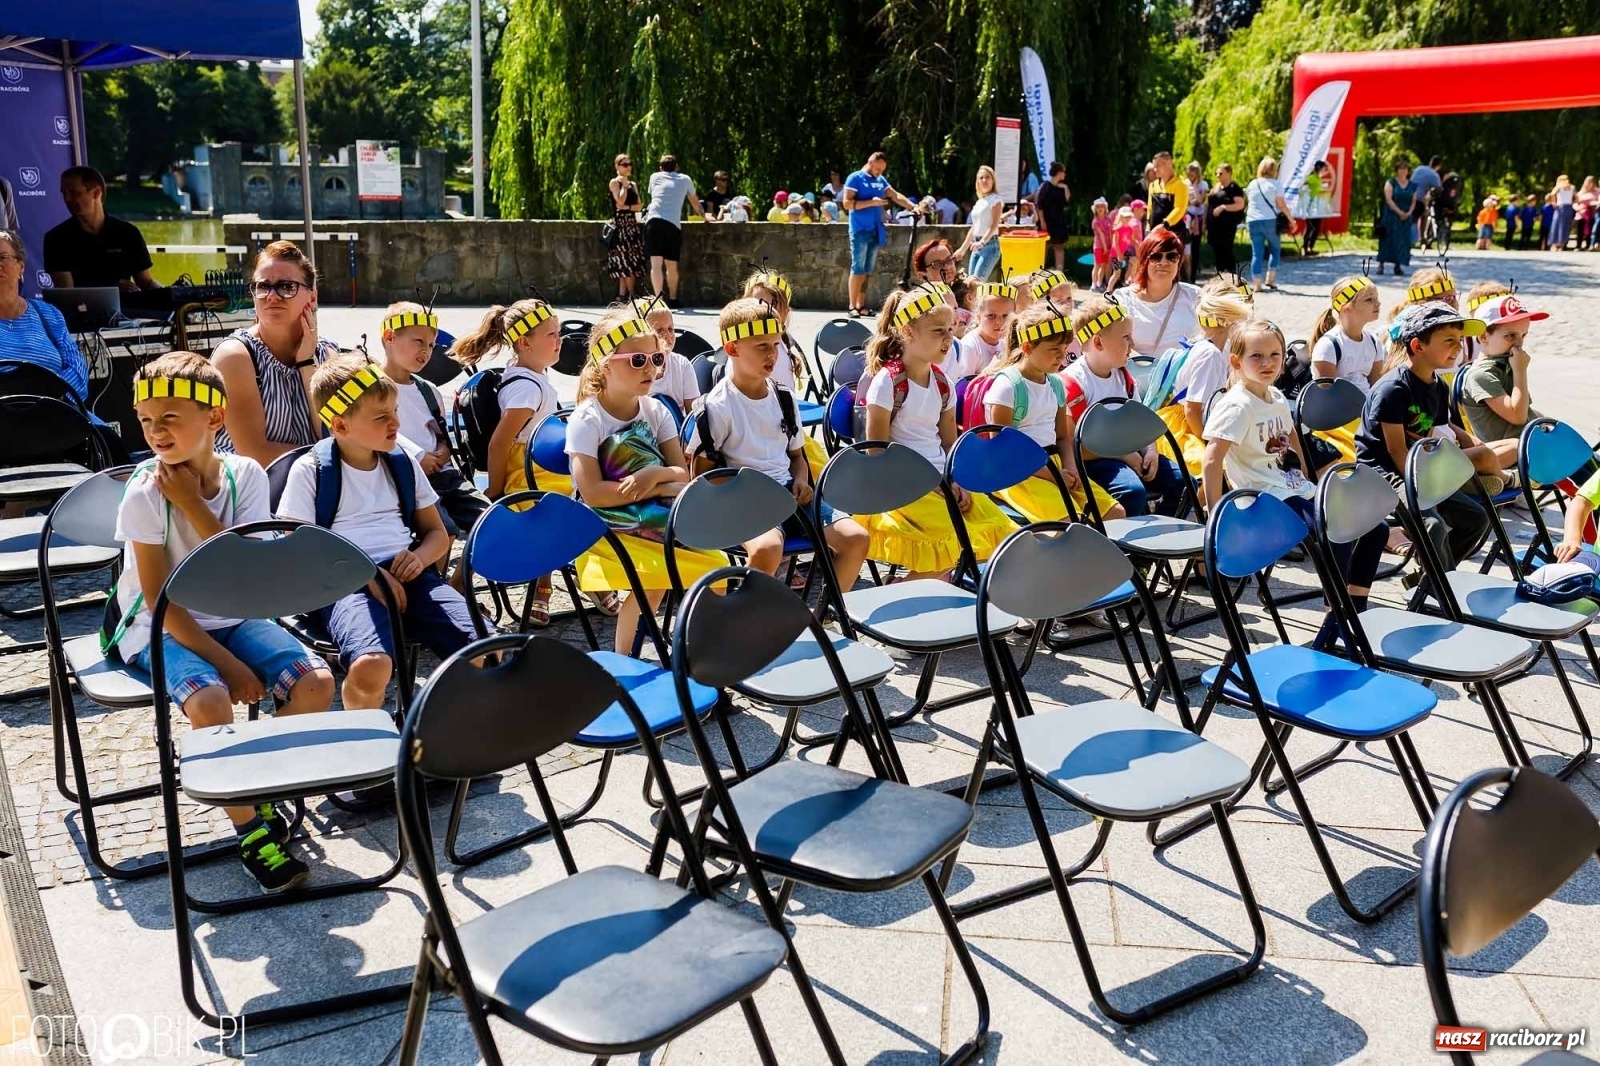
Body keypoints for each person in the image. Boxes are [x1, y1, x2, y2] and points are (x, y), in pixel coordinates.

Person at [111, 352, 335, 893]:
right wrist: (228, 665)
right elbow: (163, 603)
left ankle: (255, 779)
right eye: (145, 419)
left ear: (214, 419)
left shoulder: (245, 475)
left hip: (235, 611)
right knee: (211, 702)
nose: (154, 431)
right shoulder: (144, 492)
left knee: (317, 683)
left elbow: (246, 571)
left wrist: (193, 504)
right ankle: (252, 830)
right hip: (160, 625)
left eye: (169, 417)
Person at [276, 357, 477, 709]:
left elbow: (437, 534)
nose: (396, 423)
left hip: (410, 576)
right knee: (372, 666)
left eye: (395, 410)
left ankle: (442, 732)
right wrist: (367, 575)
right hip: (343, 585)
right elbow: (301, 553)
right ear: (340, 424)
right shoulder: (310, 471)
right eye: (381, 416)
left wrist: (419, 558)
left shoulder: (402, 462)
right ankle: (365, 735)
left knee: (485, 648)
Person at [1202, 321, 1386, 647]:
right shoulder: (1236, 405)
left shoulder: (1273, 395)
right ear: (1236, 362)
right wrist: (1215, 513)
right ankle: (1338, 617)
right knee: (1337, 530)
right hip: (1263, 498)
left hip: (1291, 487)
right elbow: (1212, 460)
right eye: (1256, 356)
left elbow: (1292, 440)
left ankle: (1350, 611)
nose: (1267, 363)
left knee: (1376, 527)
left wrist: (1304, 476)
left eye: (1274, 354)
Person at [566, 305, 725, 654]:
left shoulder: (655, 410)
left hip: (656, 514)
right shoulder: (587, 419)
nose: (651, 368)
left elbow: (682, 475)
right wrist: (663, 485)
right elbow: (592, 493)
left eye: (656, 358)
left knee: (716, 569)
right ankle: (627, 661)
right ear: (605, 364)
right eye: (638, 360)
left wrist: (653, 476)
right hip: (606, 526)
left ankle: (700, 657)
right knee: (656, 579)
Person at [688, 298, 870, 584]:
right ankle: (754, 616)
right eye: (761, 346)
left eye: (775, 344)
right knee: (768, 547)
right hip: (744, 501)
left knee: (856, 538)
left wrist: (801, 480)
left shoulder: (783, 397)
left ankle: (826, 614)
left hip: (788, 492)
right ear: (732, 348)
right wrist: (751, 496)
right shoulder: (717, 408)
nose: (771, 354)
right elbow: (704, 476)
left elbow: (797, 457)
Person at [855, 284, 1012, 579]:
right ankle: (900, 591)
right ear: (908, 332)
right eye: (938, 331)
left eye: (949, 330)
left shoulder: (943, 384)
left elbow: (951, 444)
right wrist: (931, 483)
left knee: (1003, 534)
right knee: (957, 544)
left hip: (942, 480)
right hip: (904, 485)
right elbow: (877, 453)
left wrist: (959, 481)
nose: (948, 339)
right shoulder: (887, 383)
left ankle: (923, 584)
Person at [1355, 303, 1515, 572]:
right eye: (1449, 340)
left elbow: (1429, 438)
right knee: (1433, 526)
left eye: (1460, 340)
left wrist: (1445, 471)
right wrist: (1427, 487)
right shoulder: (1393, 389)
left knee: (1477, 519)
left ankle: (1432, 579)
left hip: (1417, 466)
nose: (1458, 347)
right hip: (1383, 471)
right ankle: (1443, 587)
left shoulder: (1438, 386)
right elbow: (1395, 451)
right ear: (1418, 346)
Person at [973, 300, 1122, 524]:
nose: (1062, 358)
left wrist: (1070, 466)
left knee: (1115, 514)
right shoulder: (1008, 387)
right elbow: (1003, 451)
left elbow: (1063, 436)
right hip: (1020, 473)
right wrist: (1053, 475)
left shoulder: (1055, 384)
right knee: (1072, 524)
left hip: (1054, 464)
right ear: (1027, 347)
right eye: (1054, 350)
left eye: (1063, 350)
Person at [0, 228, 129, 461]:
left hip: (57, 414)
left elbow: (78, 371)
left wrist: (50, 397)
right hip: (4, 422)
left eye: (3, 258)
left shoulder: (48, 315)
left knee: (111, 447)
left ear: (21, 267)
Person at [213, 241, 337, 466]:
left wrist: (307, 363)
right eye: (263, 286)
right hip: (247, 491)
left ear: (312, 297)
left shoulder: (328, 355)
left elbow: (334, 434)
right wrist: (331, 456)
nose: (272, 296)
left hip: (313, 486)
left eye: (286, 286)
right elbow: (254, 453)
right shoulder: (235, 357)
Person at [1062, 294, 1185, 517]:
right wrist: (1124, 456)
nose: (1133, 344)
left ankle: (1158, 538)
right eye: (1126, 337)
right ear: (1098, 342)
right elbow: (1074, 446)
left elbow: (1142, 421)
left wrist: (1151, 451)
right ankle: (1128, 548)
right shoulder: (1073, 384)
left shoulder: (1123, 376)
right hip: (1094, 460)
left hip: (1128, 450)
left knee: (1184, 482)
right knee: (1131, 492)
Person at [377, 302, 491, 542]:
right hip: (400, 478)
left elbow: (439, 432)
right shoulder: (371, 388)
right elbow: (374, 430)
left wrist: (442, 450)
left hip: (442, 475)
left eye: (430, 345)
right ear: (389, 337)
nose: (426, 351)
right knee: (443, 532)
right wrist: (418, 455)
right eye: (418, 341)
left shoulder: (427, 390)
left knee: (488, 522)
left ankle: (460, 581)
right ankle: (433, 579)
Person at [1157, 286, 1253, 478]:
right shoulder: (1210, 355)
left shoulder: (1203, 346)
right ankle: (1200, 506)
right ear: (1229, 323)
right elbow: (1192, 409)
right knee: (1219, 464)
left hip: (1187, 423)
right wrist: (1207, 443)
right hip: (1181, 429)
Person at [43, 167, 159, 291]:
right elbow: (67, 293)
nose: (67, 199)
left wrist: (173, 296)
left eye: (73, 192)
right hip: (80, 309)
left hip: (128, 309)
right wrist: (112, 290)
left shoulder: (128, 233)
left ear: (97, 193)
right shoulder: (56, 239)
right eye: (64, 193)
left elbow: (146, 282)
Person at [1459, 295, 1550, 445]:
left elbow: (1527, 412)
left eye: (1523, 335)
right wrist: (1520, 372)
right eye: (1510, 336)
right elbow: (1518, 416)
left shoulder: (1505, 363)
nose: (1519, 344)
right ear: (1483, 337)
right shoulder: (1481, 375)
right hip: (1513, 452)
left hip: (1531, 443)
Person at [842, 152, 920, 317]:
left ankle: (861, 305)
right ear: (870, 161)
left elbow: (895, 195)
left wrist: (912, 207)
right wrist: (872, 202)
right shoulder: (855, 178)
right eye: (877, 168)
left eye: (882, 170)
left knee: (868, 270)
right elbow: (847, 203)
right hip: (859, 230)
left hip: (876, 230)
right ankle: (851, 306)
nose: (879, 172)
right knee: (857, 268)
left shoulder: (880, 180)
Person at [641, 155, 710, 308]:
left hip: (653, 222)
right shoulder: (685, 179)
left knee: (655, 265)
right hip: (672, 224)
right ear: (676, 167)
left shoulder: (654, 177)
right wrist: (704, 217)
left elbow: (653, 195)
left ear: (660, 168)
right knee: (671, 265)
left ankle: (658, 301)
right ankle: (673, 299)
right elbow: (694, 202)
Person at [1124, 229, 1200, 358]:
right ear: (1143, 262)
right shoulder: (1122, 300)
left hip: (1183, 374)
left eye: (1172, 257)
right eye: (1156, 257)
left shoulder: (1196, 297)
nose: (1164, 262)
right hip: (1135, 373)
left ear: (1179, 262)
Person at [1310, 275, 1386, 396]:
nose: (1378, 303)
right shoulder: (1329, 346)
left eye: (1376, 298)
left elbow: (1377, 387)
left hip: (1367, 410)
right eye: (1369, 299)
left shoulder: (1373, 342)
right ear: (1346, 308)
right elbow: (1326, 396)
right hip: (1341, 412)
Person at [945, 280, 1015, 381]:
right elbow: (963, 387)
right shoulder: (970, 346)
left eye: (1005, 316)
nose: (999, 322)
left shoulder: (1005, 343)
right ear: (978, 315)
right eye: (991, 316)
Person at [1245, 157, 1289, 290]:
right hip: (1270, 220)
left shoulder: (1252, 184)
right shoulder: (1276, 184)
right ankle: (1270, 279)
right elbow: (1281, 205)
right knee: (1275, 250)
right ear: (1274, 170)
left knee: (1256, 253)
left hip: (1252, 220)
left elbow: (1249, 201)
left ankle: (1257, 284)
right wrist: (1291, 219)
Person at [954, 166, 1004, 283]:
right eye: (981, 178)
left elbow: (994, 226)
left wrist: (982, 242)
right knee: (969, 284)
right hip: (976, 246)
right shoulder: (979, 202)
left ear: (993, 180)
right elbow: (974, 227)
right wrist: (962, 249)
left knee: (976, 284)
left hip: (989, 245)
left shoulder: (996, 200)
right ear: (977, 181)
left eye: (987, 177)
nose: (984, 180)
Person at [606, 154, 646, 300]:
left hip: (632, 225)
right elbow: (619, 201)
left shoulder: (633, 184)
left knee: (631, 262)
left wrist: (627, 204)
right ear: (617, 167)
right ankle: (631, 295)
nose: (628, 167)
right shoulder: (614, 183)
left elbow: (639, 206)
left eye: (630, 164)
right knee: (625, 262)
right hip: (621, 226)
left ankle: (623, 295)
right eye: (624, 165)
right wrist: (624, 186)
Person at [1206, 164, 1246, 278]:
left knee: (1226, 250)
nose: (1218, 176)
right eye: (1216, 173)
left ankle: (1231, 275)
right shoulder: (1216, 187)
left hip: (1227, 225)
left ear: (1229, 173)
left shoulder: (1234, 188)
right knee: (1217, 251)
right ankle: (1220, 275)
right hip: (1213, 225)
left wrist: (1224, 207)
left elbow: (1240, 204)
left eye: (1221, 173)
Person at [1035, 163, 1072, 271]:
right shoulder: (1045, 186)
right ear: (1059, 173)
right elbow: (1039, 203)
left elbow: (1068, 201)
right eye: (1063, 172)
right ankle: (1039, 270)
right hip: (1047, 220)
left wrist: (1065, 187)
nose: (1064, 174)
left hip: (1059, 220)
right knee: (1044, 246)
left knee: (1059, 246)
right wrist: (1042, 221)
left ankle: (1059, 272)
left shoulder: (1061, 187)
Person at [1146, 152, 1189, 239]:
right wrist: (1148, 228)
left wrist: (1165, 224)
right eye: (1154, 166)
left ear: (1168, 163)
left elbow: (1180, 208)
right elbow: (1150, 208)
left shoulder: (1180, 184)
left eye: (1157, 165)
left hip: (1173, 234)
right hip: (1154, 233)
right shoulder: (1153, 185)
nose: (1155, 169)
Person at [1299, 160, 1333, 256]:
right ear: (1319, 168)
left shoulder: (1318, 178)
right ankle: (1305, 248)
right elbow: (1303, 187)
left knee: (1317, 228)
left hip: (1318, 205)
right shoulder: (1311, 177)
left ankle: (1310, 247)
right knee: (1310, 227)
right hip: (1310, 205)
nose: (1324, 170)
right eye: (1323, 168)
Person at [1183, 161, 1208, 277]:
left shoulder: (1203, 185)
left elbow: (1200, 201)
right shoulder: (1184, 184)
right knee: (1186, 244)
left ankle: (1193, 273)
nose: (1191, 177)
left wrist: (1194, 186)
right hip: (1187, 216)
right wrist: (1189, 201)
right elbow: (1183, 200)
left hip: (1198, 217)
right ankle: (1185, 273)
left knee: (1196, 246)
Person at [1090, 198, 1114, 292]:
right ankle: (1093, 284)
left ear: (1105, 208)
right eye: (1098, 207)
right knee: (1097, 265)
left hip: (1107, 246)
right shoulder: (1095, 221)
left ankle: (1099, 283)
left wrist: (1111, 245)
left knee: (1104, 265)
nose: (1100, 208)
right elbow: (1101, 234)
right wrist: (1105, 247)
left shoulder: (1108, 219)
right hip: (1099, 246)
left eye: (1102, 206)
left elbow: (1111, 232)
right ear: (1095, 209)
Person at [1550, 175, 1576, 250]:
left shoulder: (1559, 187)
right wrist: (1572, 202)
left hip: (1560, 206)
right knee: (1566, 226)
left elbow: (1552, 194)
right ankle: (1562, 245)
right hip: (1569, 207)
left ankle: (1554, 244)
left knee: (1557, 225)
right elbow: (1576, 197)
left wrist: (1554, 202)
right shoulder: (1572, 187)